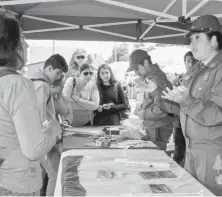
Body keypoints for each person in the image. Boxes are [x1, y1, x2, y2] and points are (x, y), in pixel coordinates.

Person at [0, 14, 61, 196]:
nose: (26, 45)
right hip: (16, 183)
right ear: (10, 45)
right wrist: (54, 130)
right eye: (23, 39)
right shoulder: (16, 84)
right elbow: (33, 149)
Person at [162, 15, 222, 196]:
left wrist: (186, 101)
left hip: (213, 152)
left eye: (197, 37)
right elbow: (179, 107)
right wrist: (157, 91)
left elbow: (217, 114)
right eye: (191, 38)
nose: (191, 43)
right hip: (191, 147)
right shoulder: (196, 69)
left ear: (214, 40)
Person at [27, 53, 68, 196]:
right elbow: (37, 116)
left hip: (36, 138)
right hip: (43, 137)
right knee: (55, 175)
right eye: (58, 73)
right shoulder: (42, 85)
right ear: (49, 68)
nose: (58, 77)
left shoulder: (31, 81)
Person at [127, 49, 180, 150]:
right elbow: (151, 101)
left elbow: (164, 109)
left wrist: (143, 114)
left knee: (156, 157)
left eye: (137, 69)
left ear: (146, 63)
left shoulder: (158, 78)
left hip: (159, 127)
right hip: (154, 125)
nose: (136, 72)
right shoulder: (150, 76)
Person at [172, 51, 197, 165]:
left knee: (192, 151)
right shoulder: (178, 79)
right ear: (184, 63)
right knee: (179, 148)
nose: (191, 63)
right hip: (179, 121)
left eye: (194, 60)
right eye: (188, 61)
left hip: (194, 121)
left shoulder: (200, 79)